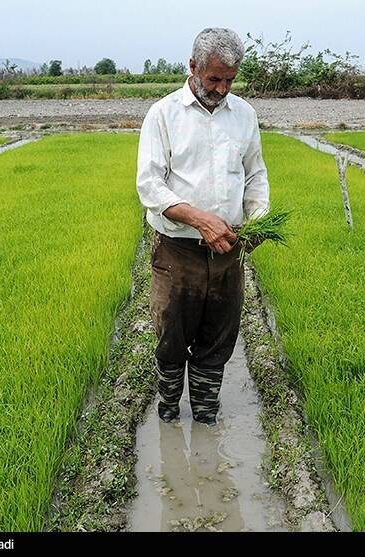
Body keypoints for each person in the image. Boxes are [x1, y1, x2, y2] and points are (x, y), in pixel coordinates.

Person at [136, 27, 270, 426]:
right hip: (178, 251)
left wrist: (257, 220)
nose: (222, 88)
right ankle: (167, 413)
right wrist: (199, 218)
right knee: (171, 339)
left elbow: (255, 175)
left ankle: (206, 416)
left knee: (218, 339)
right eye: (214, 78)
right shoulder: (163, 115)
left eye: (230, 80)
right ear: (193, 66)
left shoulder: (244, 115)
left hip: (228, 251)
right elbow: (150, 185)